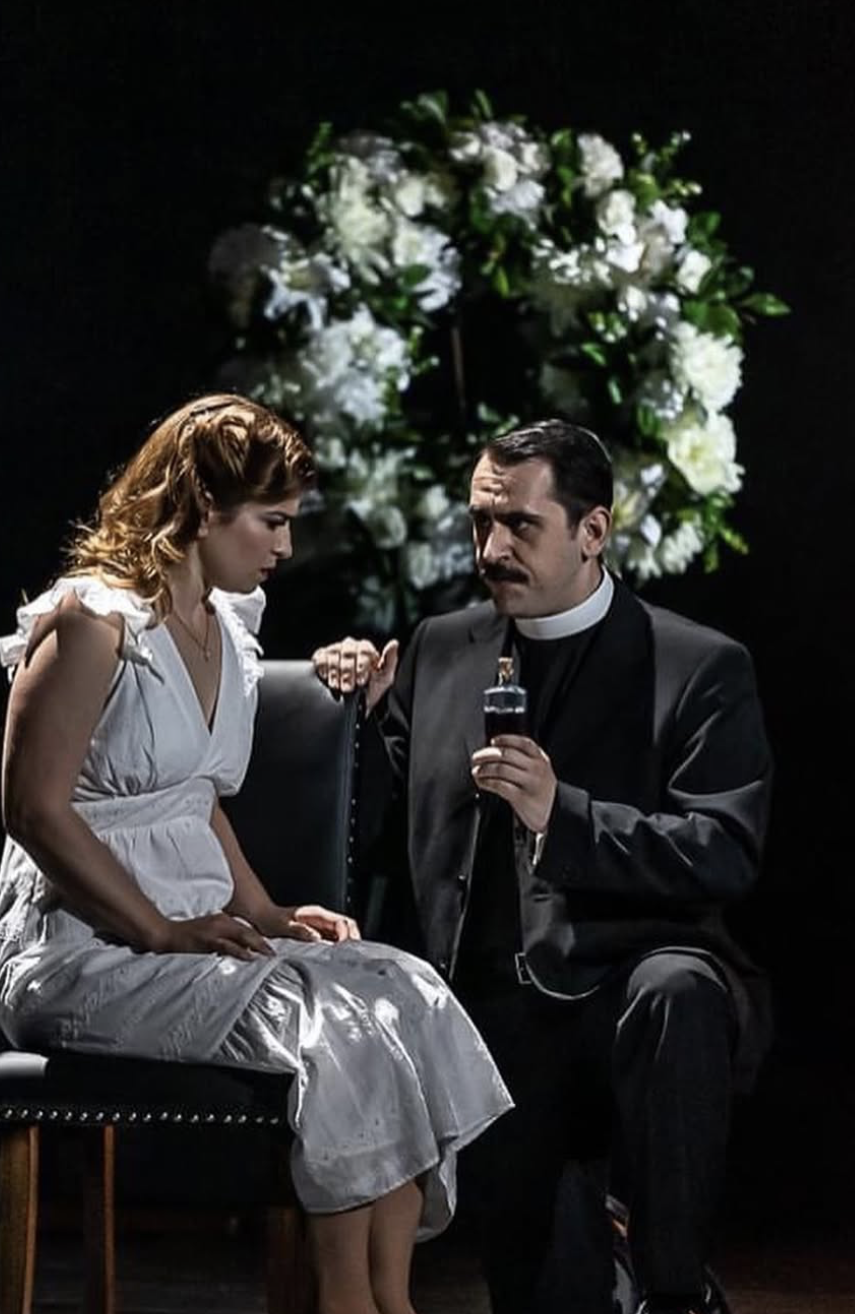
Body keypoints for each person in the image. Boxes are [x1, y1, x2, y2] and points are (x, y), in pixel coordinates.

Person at [0, 393, 512, 1314]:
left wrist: (268, 914)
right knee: (327, 1024)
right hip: (82, 951)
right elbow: (33, 808)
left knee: (398, 988)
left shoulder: (227, 625)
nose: (284, 546)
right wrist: (155, 930)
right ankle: (345, 1302)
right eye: (270, 521)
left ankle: (392, 1298)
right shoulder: (91, 624)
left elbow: (199, 803)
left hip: (194, 929)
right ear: (199, 507)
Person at [312, 419, 772, 1314]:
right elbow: (378, 837)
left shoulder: (697, 665)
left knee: (678, 989)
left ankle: (676, 1288)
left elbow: (723, 850)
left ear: (593, 531)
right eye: (481, 522)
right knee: (547, 1296)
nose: (492, 548)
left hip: (627, 987)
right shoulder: (441, 648)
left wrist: (562, 816)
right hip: (487, 1013)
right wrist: (357, 719)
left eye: (519, 525)